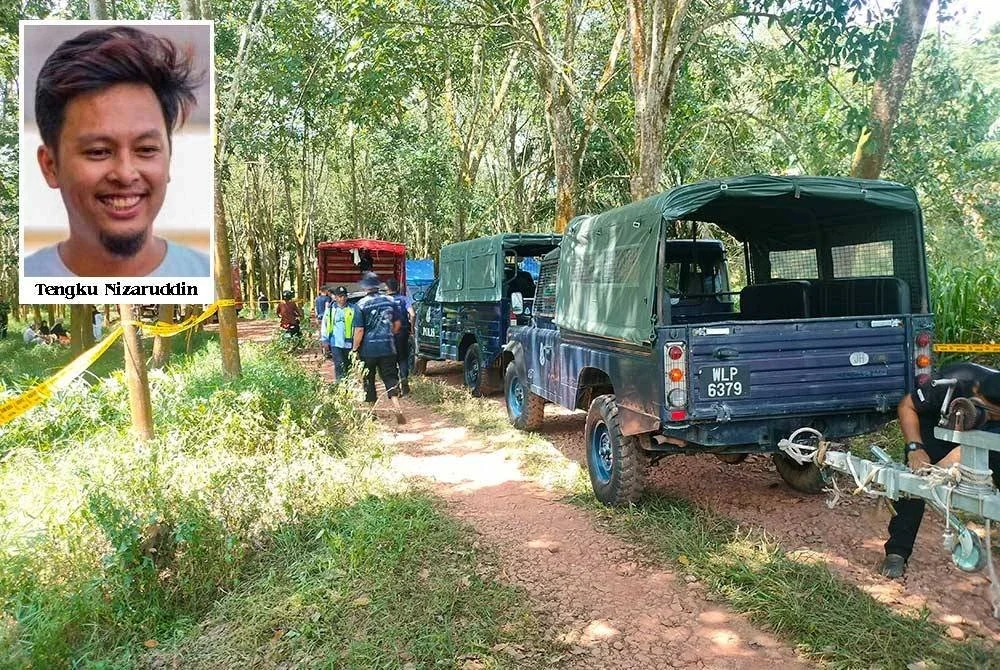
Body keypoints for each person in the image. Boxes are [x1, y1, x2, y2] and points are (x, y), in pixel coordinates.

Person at [24, 26, 209, 278]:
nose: (125, 174)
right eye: (98, 151)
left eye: (146, 149)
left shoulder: (203, 272)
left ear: (169, 159)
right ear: (50, 165)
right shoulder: (30, 276)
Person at [879, 362, 1000, 578]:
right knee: (915, 483)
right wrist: (915, 448)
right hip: (938, 427)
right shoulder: (954, 380)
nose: (988, 416)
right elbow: (907, 406)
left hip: (986, 437)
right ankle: (897, 552)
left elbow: (963, 454)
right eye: (986, 411)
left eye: (994, 415)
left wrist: (953, 462)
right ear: (976, 394)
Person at [352, 272, 405, 424]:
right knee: (390, 377)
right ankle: (397, 407)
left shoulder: (360, 305)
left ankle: (371, 412)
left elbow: (359, 330)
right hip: (388, 348)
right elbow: (397, 324)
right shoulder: (390, 300)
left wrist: (355, 348)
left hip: (368, 350)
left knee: (368, 380)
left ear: (365, 287)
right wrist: (389, 335)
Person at [384, 278, 415, 396]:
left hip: (389, 335)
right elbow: (412, 314)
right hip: (403, 333)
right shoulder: (404, 299)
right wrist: (411, 329)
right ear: (397, 288)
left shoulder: (385, 300)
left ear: (387, 289)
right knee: (403, 358)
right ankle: (404, 380)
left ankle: (395, 386)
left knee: (391, 360)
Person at [322, 286, 356, 381]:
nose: (342, 299)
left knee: (348, 366)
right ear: (336, 297)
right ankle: (340, 386)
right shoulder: (330, 310)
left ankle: (346, 385)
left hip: (349, 343)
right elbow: (324, 325)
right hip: (335, 342)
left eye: (344, 296)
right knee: (338, 365)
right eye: (340, 296)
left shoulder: (353, 309)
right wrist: (325, 340)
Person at [314, 287, 332, 358]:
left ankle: (323, 350)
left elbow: (315, 308)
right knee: (326, 334)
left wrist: (316, 317)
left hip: (319, 317)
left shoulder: (317, 299)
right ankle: (327, 352)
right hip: (325, 318)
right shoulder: (327, 298)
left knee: (321, 334)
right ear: (326, 291)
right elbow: (327, 307)